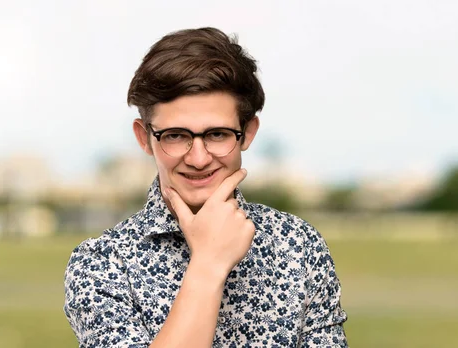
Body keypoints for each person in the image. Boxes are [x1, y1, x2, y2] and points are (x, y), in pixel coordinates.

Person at [64, 27, 348, 347]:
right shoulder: (103, 263)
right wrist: (208, 265)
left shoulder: (298, 245)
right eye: (175, 135)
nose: (198, 159)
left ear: (247, 132)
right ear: (144, 138)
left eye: (217, 134)